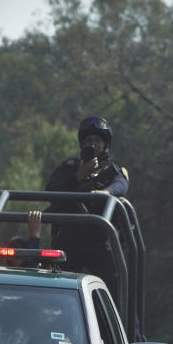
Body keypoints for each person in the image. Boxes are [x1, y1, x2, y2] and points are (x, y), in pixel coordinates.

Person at [44, 116, 129, 290]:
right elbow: (51, 191)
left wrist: (105, 193)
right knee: (57, 286)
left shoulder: (112, 170)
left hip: (99, 238)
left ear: (105, 144)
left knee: (117, 286)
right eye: (88, 140)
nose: (92, 144)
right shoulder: (68, 167)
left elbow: (121, 185)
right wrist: (78, 177)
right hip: (68, 237)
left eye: (97, 140)